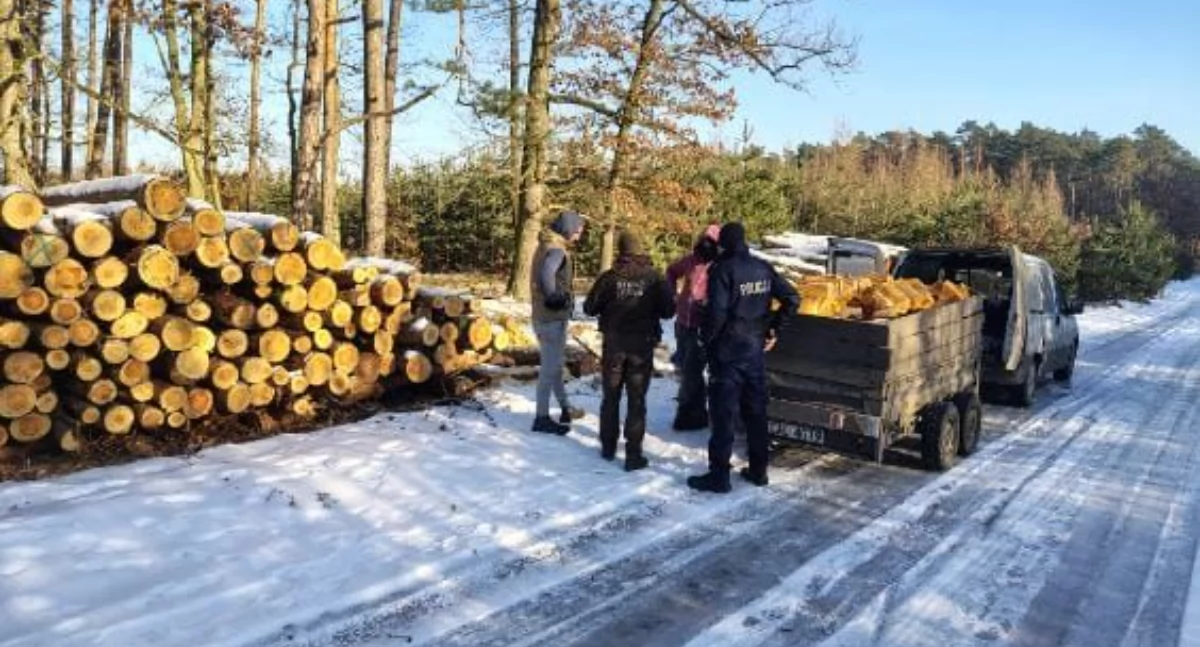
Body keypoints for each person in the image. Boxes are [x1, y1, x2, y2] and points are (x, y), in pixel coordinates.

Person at [688, 222, 799, 493]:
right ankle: (759, 471)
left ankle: (719, 476)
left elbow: (717, 314)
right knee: (756, 412)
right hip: (754, 351)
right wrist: (772, 328)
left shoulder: (722, 270)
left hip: (727, 353)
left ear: (723, 244)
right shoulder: (763, 267)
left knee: (724, 414)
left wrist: (707, 340)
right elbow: (793, 298)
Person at [583, 231, 674, 471]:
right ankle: (633, 455)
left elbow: (589, 307)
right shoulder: (654, 278)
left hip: (614, 346)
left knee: (610, 397)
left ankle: (608, 446)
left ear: (620, 251)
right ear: (640, 249)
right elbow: (668, 311)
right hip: (641, 348)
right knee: (636, 399)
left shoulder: (609, 278)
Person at [530, 210, 587, 435]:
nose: (579, 235)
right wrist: (554, 297)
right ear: (568, 228)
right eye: (578, 230)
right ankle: (541, 418)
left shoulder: (545, 245)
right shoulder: (556, 250)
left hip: (541, 316)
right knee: (549, 369)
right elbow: (546, 275)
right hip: (551, 319)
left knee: (554, 366)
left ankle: (565, 408)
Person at [665, 224, 721, 431]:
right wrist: (672, 294)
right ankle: (692, 412)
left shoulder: (721, 265)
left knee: (699, 370)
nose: (706, 247)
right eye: (703, 242)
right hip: (684, 323)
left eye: (711, 243)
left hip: (706, 325)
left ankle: (700, 414)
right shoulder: (691, 260)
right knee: (687, 369)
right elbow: (671, 271)